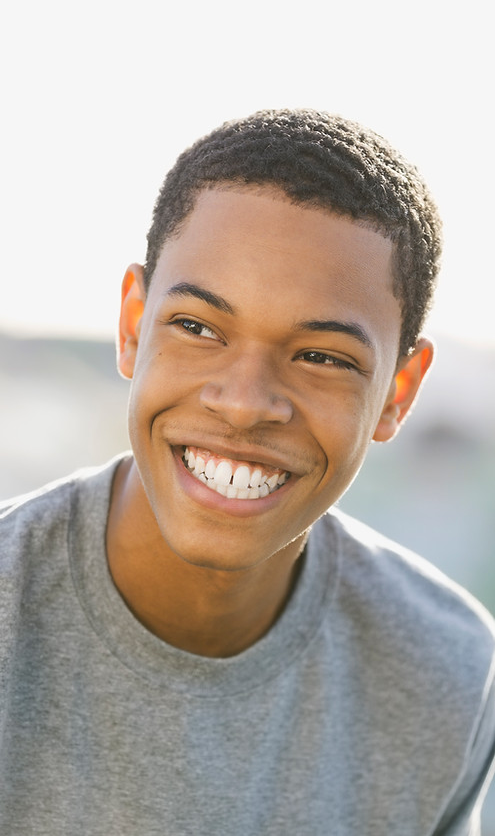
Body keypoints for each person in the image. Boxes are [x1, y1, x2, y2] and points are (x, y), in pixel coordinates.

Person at [1, 109, 494, 835]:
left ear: (397, 391)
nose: (243, 403)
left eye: (321, 356)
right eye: (198, 327)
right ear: (134, 327)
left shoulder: (444, 669)